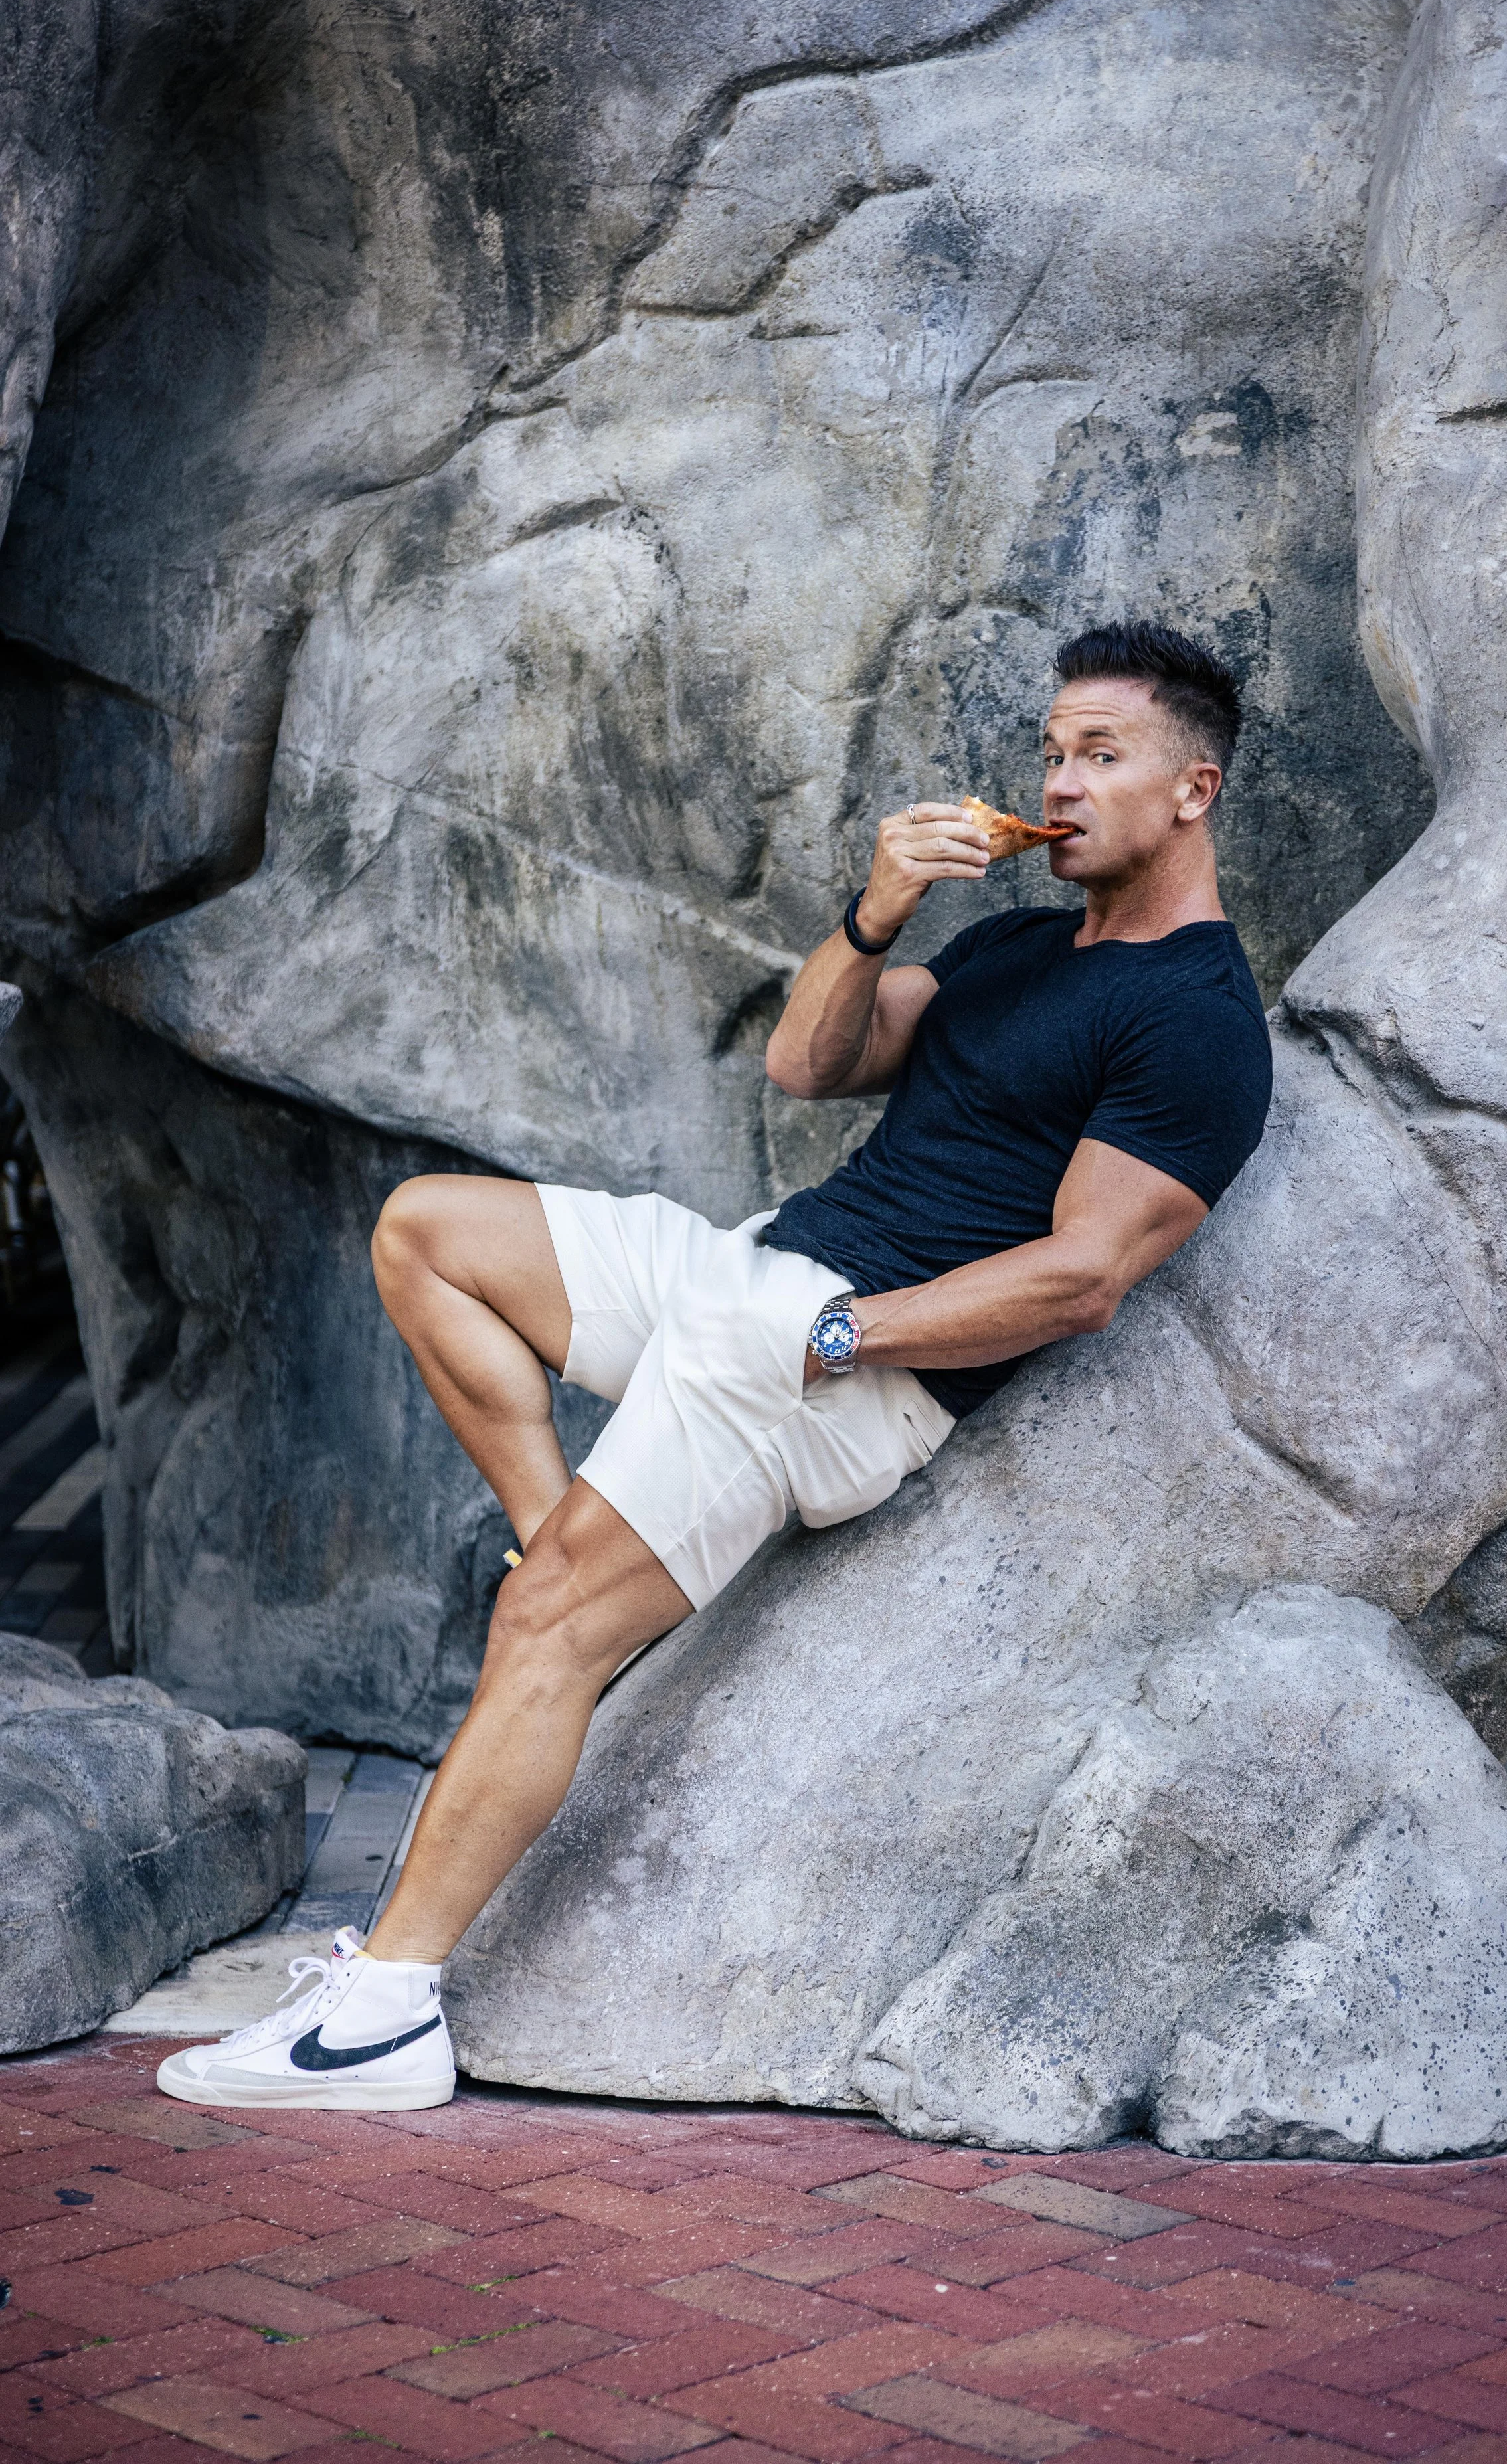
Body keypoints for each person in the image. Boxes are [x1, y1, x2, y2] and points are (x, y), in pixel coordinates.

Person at [156, 620, 1273, 2110]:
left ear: (1192, 788)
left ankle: (379, 2013)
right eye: (1051, 750)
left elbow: (1082, 1277)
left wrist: (833, 1336)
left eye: (1100, 754)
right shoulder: (1015, 942)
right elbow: (809, 1063)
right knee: (428, 1232)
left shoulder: (1198, 1019)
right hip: (751, 1270)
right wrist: (874, 915)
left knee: (542, 1626)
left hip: (829, 1359)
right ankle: (567, 1545)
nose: (1057, 784)